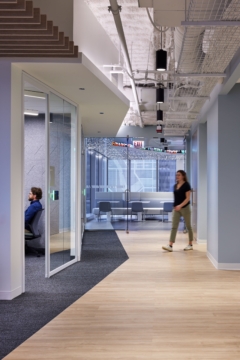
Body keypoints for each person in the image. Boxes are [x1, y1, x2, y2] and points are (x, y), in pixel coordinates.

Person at [162, 170, 193, 252]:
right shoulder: (175, 186)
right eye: (176, 175)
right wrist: (175, 206)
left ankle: (190, 244)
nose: (177, 176)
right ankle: (170, 245)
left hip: (185, 208)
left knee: (189, 226)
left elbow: (187, 199)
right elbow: (176, 198)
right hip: (176, 208)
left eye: (179, 175)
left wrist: (180, 206)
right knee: (174, 226)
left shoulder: (187, 185)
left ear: (183, 176)